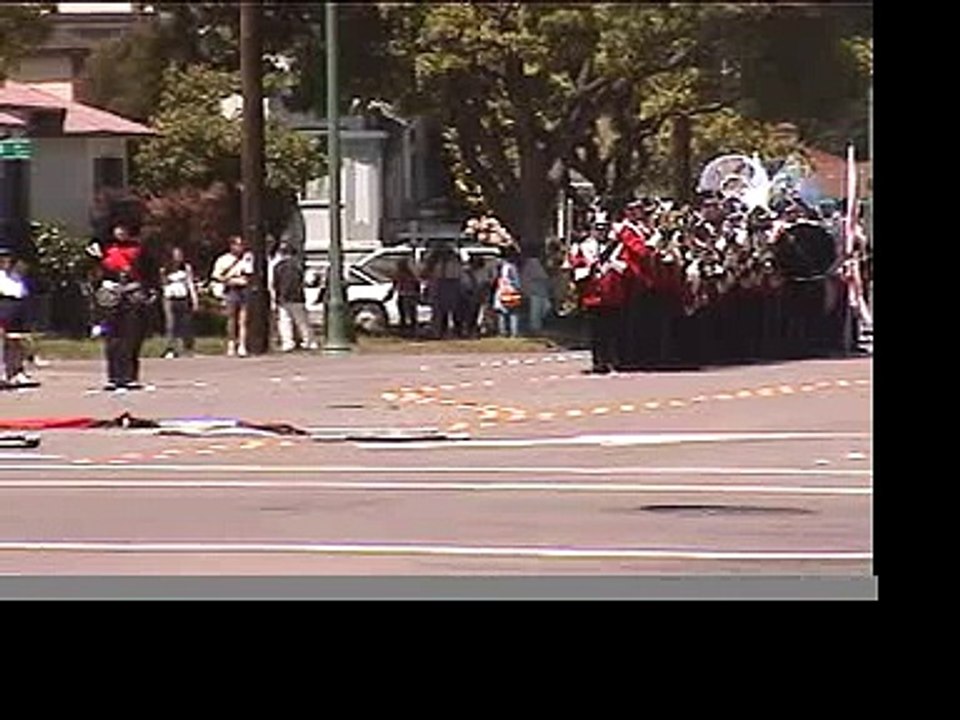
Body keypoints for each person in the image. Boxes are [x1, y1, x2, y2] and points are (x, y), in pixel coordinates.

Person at [89, 222, 157, 390]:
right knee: (112, 338)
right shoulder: (102, 249)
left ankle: (129, 376)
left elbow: (148, 273)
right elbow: (93, 273)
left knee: (131, 336)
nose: (120, 232)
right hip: (110, 294)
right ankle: (113, 376)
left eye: (123, 228)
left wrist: (146, 289)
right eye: (117, 228)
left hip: (132, 293)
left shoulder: (139, 249)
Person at [270, 241, 318, 352]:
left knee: (284, 321)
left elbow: (275, 283)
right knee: (302, 321)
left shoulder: (278, 266)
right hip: (297, 296)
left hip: (282, 297)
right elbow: (304, 281)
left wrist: (277, 296)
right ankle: (309, 341)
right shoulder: (298, 266)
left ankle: (287, 343)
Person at [211, 235, 254, 356]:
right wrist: (229, 279)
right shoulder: (223, 260)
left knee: (243, 319)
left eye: (241, 245)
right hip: (231, 289)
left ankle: (242, 344)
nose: (240, 247)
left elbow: (250, 273)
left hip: (244, 289)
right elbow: (216, 276)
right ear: (232, 246)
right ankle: (231, 343)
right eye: (237, 244)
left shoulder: (247, 258)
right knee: (231, 318)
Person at [0, 247, 34, 386]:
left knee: (17, 341)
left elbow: (23, 291)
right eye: (2, 258)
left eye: (7, 257)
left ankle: (16, 371)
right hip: (3, 304)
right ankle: (3, 373)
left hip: (18, 305)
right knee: (3, 341)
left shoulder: (17, 275)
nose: (5, 260)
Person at [160, 246, 199, 359]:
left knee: (185, 324)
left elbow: (190, 284)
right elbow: (162, 285)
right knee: (170, 324)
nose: (178, 258)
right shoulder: (165, 270)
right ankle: (170, 348)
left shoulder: (186, 268)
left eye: (180, 255)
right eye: (175, 255)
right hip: (170, 298)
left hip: (183, 298)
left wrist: (194, 299)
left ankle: (187, 348)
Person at [493, 246, 523, 338]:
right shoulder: (511, 267)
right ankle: (513, 332)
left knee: (502, 312)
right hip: (510, 290)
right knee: (513, 313)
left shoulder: (499, 267)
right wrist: (518, 288)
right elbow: (516, 281)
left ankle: (502, 331)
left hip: (501, 290)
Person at [520, 251, 552, 335]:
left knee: (545, 308)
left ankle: (536, 326)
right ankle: (535, 328)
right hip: (535, 291)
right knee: (536, 310)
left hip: (542, 291)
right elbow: (540, 276)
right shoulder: (533, 263)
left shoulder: (540, 264)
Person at [392, 258, 421, 338]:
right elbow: (417, 286)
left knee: (403, 316)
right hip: (412, 296)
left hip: (403, 296)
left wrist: (388, 297)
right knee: (413, 316)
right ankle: (414, 333)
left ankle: (404, 333)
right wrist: (418, 296)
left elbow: (394, 286)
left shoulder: (398, 275)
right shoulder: (412, 275)